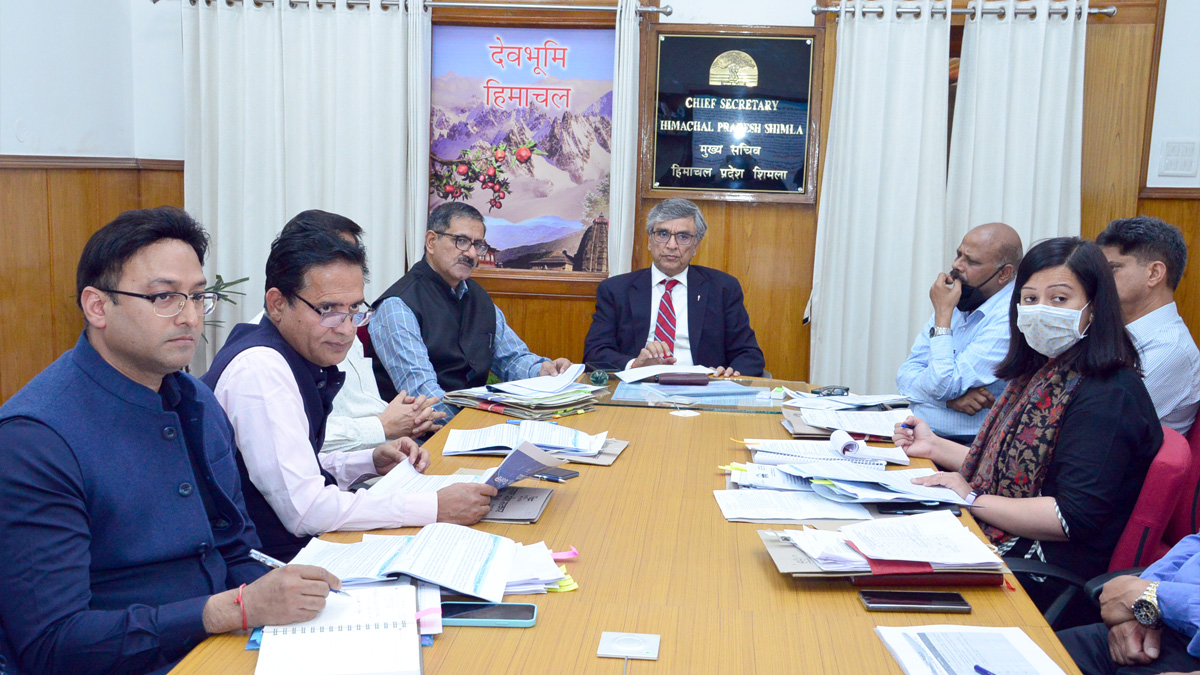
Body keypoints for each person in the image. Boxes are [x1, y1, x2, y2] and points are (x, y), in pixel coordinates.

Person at [0, 208, 342, 675]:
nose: (189, 317)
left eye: (198, 296)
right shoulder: (35, 439)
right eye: (164, 297)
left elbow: (236, 548)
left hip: (231, 644)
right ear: (97, 307)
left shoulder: (196, 399)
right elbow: (52, 644)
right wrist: (228, 611)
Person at [203, 223, 495, 560]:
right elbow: (305, 510)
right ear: (278, 303)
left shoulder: (294, 353)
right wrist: (434, 507)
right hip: (268, 565)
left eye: (354, 309)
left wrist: (367, 461)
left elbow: (293, 468)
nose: (346, 329)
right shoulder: (261, 370)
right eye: (328, 310)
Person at [894, 237, 1161, 606]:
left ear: (1096, 306)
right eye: (1030, 299)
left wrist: (972, 498)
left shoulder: (1108, 394)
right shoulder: (1042, 371)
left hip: (1041, 573)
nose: (1041, 310)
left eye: (1060, 299)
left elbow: (1070, 517)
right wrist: (934, 446)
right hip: (1001, 540)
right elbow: (1008, 466)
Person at [368, 202, 573, 418]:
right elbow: (425, 399)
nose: (472, 253)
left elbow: (511, 359)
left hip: (475, 421)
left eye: (478, 245)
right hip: (422, 433)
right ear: (431, 241)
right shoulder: (398, 306)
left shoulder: (478, 298)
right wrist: (485, 420)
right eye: (462, 241)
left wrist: (543, 371)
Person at [266, 210, 445, 452]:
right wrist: (382, 426)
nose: (347, 329)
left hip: (380, 453)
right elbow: (301, 440)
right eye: (333, 254)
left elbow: (368, 406)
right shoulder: (267, 357)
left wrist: (410, 416)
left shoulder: (347, 321)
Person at [582, 198, 765, 376]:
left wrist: (730, 375)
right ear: (650, 241)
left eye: (683, 237)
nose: (671, 245)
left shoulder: (723, 288)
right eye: (662, 234)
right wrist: (635, 365)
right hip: (638, 385)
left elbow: (749, 354)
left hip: (702, 388)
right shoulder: (615, 290)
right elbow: (595, 353)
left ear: (696, 246)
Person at [896, 222, 1024, 445]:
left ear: (1004, 273)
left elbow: (942, 384)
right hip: (920, 433)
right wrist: (948, 401)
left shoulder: (1010, 319)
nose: (957, 265)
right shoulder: (960, 298)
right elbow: (905, 376)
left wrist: (942, 316)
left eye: (971, 261)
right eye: (959, 254)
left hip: (969, 446)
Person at [1097, 216, 1200, 435]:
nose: (1099, 279)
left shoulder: (1171, 349)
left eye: (1112, 268)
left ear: (1153, 274)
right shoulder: (1115, 332)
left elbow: (1100, 422)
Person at [1057, 533, 1200, 674]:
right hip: (1165, 622)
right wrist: (1141, 607)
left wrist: (1149, 595)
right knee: (1052, 654)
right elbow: (1195, 543)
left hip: (1191, 654)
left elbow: (1145, 594)